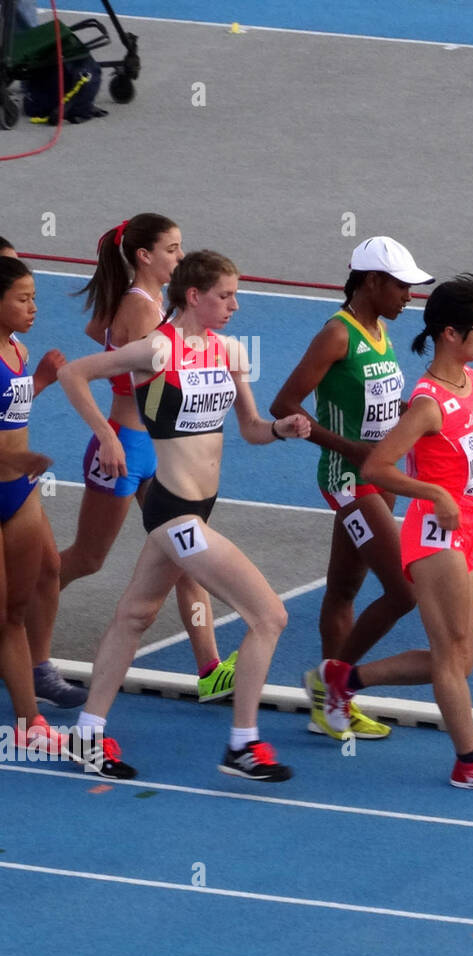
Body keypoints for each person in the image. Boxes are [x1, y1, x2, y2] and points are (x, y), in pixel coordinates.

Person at [57, 251, 311, 781]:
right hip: (174, 515)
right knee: (269, 616)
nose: (235, 306)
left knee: (135, 616)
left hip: (200, 508)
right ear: (194, 296)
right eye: (225, 296)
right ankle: (242, 744)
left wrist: (281, 430)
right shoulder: (155, 349)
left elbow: (250, 428)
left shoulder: (230, 352)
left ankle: (86, 733)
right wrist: (107, 435)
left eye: (236, 296)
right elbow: (75, 374)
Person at [27, 215, 238, 708]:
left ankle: (210, 668)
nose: (180, 258)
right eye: (172, 249)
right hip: (124, 446)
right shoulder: (144, 314)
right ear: (144, 256)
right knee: (89, 557)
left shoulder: (137, 304)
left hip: (149, 450)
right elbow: (143, 384)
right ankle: (15, 616)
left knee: (187, 557)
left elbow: (96, 328)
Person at [355, 273, 473, 790]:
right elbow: (376, 468)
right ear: (449, 334)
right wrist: (435, 494)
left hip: (470, 530)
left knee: (461, 660)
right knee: (450, 656)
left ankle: (344, 679)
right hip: (434, 537)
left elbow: (472, 445)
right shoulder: (426, 402)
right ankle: (469, 762)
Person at [270, 237, 434, 742]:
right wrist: (350, 449)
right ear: (371, 282)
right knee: (404, 593)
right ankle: (334, 684)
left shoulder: (378, 329)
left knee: (343, 589)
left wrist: (405, 415)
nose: (410, 295)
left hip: (379, 480)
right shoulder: (336, 336)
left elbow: (376, 399)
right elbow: (283, 405)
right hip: (349, 482)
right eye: (402, 285)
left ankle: (333, 707)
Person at [0, 257, 72, 753]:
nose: (33, 308)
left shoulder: (18, 351)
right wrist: (17, 455)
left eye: (34, 298)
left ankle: (30, 723)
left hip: (19, 492)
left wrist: (41, 380)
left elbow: (11, 409)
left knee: (14, 612)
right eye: (23, 299)